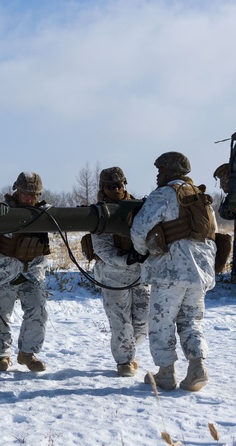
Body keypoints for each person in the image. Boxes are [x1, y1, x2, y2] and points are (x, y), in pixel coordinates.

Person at [129, 152, 217, 392]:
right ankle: (197, 368)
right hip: (200, 273)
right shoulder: (201, 197)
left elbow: (139, 229)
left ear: (169, 171)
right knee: (191, 321)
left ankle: (166, 373)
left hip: (170, 272)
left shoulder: (164, 195)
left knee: (161, 321)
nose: (158, 174)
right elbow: (212, 233)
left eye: (160, 170)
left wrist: (141, 251)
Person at [0, 172, 51, 372]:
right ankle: (1, 356)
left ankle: (28, 353)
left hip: (32, 274)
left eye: (34, 195)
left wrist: (50, 213)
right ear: (16, 191)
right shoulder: (2, 212)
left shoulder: (43, 214)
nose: (29, 198)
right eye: (25, 194)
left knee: (38, 312)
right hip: (4, 275)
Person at [90, 167, 150, 377]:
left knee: (142, 322)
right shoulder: (99, 212)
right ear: (103, 188)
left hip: (142, 275)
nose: (116, 189)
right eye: (111, 186)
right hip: (113, 276)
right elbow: (102, 248)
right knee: (121, 322)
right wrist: (126, 259)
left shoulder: (141, 208)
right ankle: (124, 362)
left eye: (119, 185)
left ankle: (131, 352)